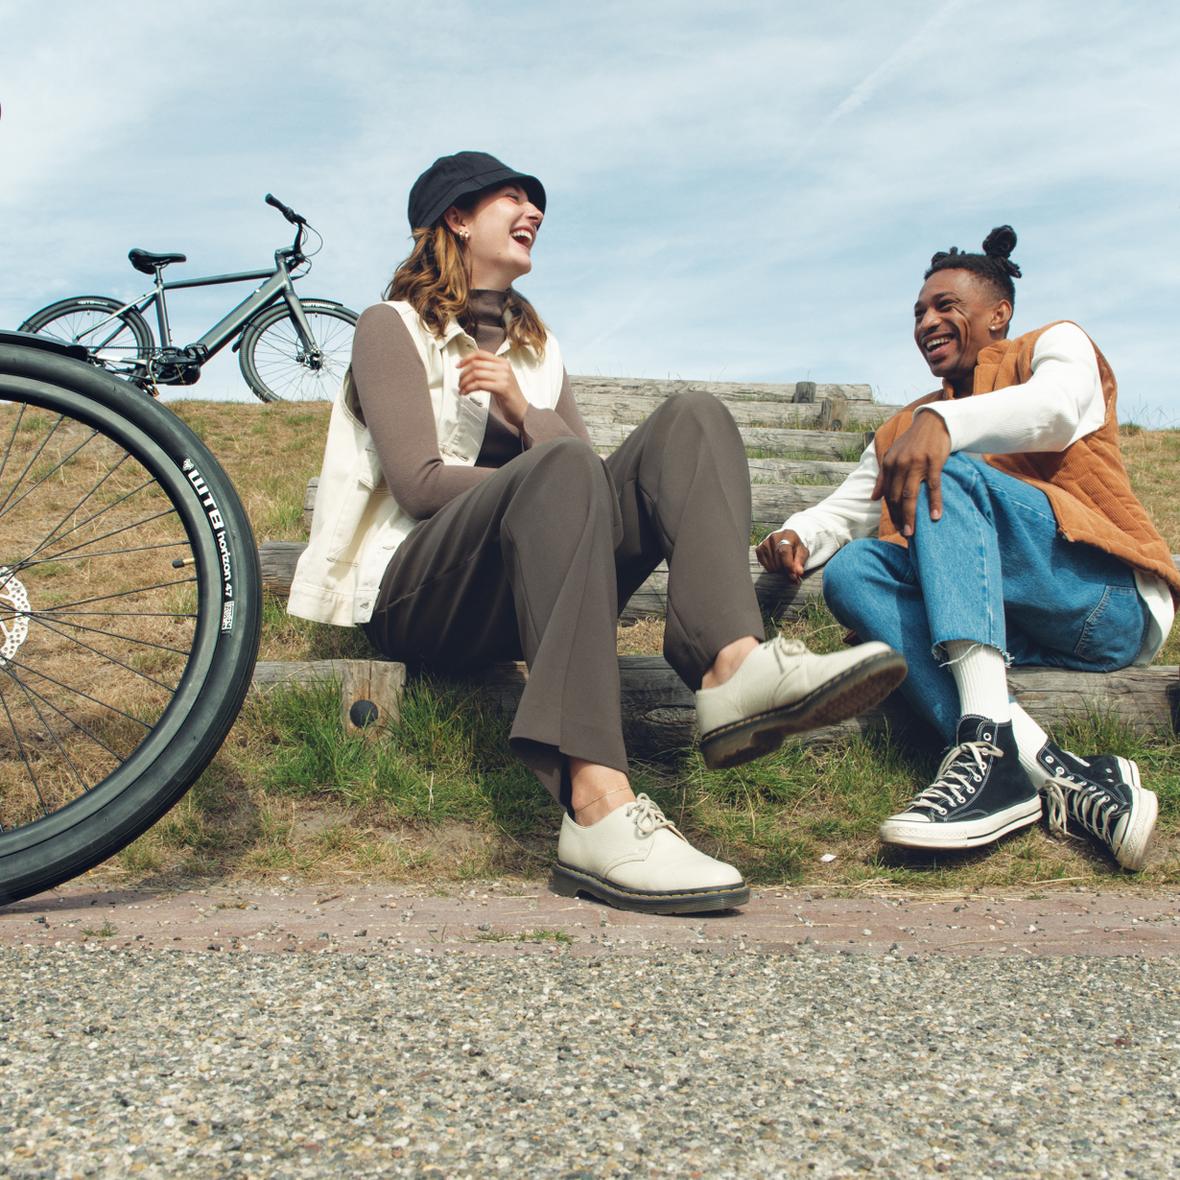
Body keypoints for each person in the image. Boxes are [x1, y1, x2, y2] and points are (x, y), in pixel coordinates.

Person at [288, 150, 906, 914]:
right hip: (422, 596)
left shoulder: (538, 351)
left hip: (527, 593)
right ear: (455, 217)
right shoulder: (392, 329)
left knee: (693, 418)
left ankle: (733, 668)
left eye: (535, 203)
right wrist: (536, 472)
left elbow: (590, 484)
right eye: (511, 199)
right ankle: (596, 807)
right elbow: (418, 484)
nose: (534, 213)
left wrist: (524, 411)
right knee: (565, 470)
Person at [757, 226, 1177, 869]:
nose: (927, 321)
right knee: (855, 571)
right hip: (1003, 621)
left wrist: (946, 427)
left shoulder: (1053, 346)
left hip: (1103, 603)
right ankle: (1050, 769)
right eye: (919, 312)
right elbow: (843, 512)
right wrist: (796, 535)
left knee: (943, 470)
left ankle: (983, 744)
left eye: (945, 305)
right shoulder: (908, 424)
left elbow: (1058, 409)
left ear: (998, 313)